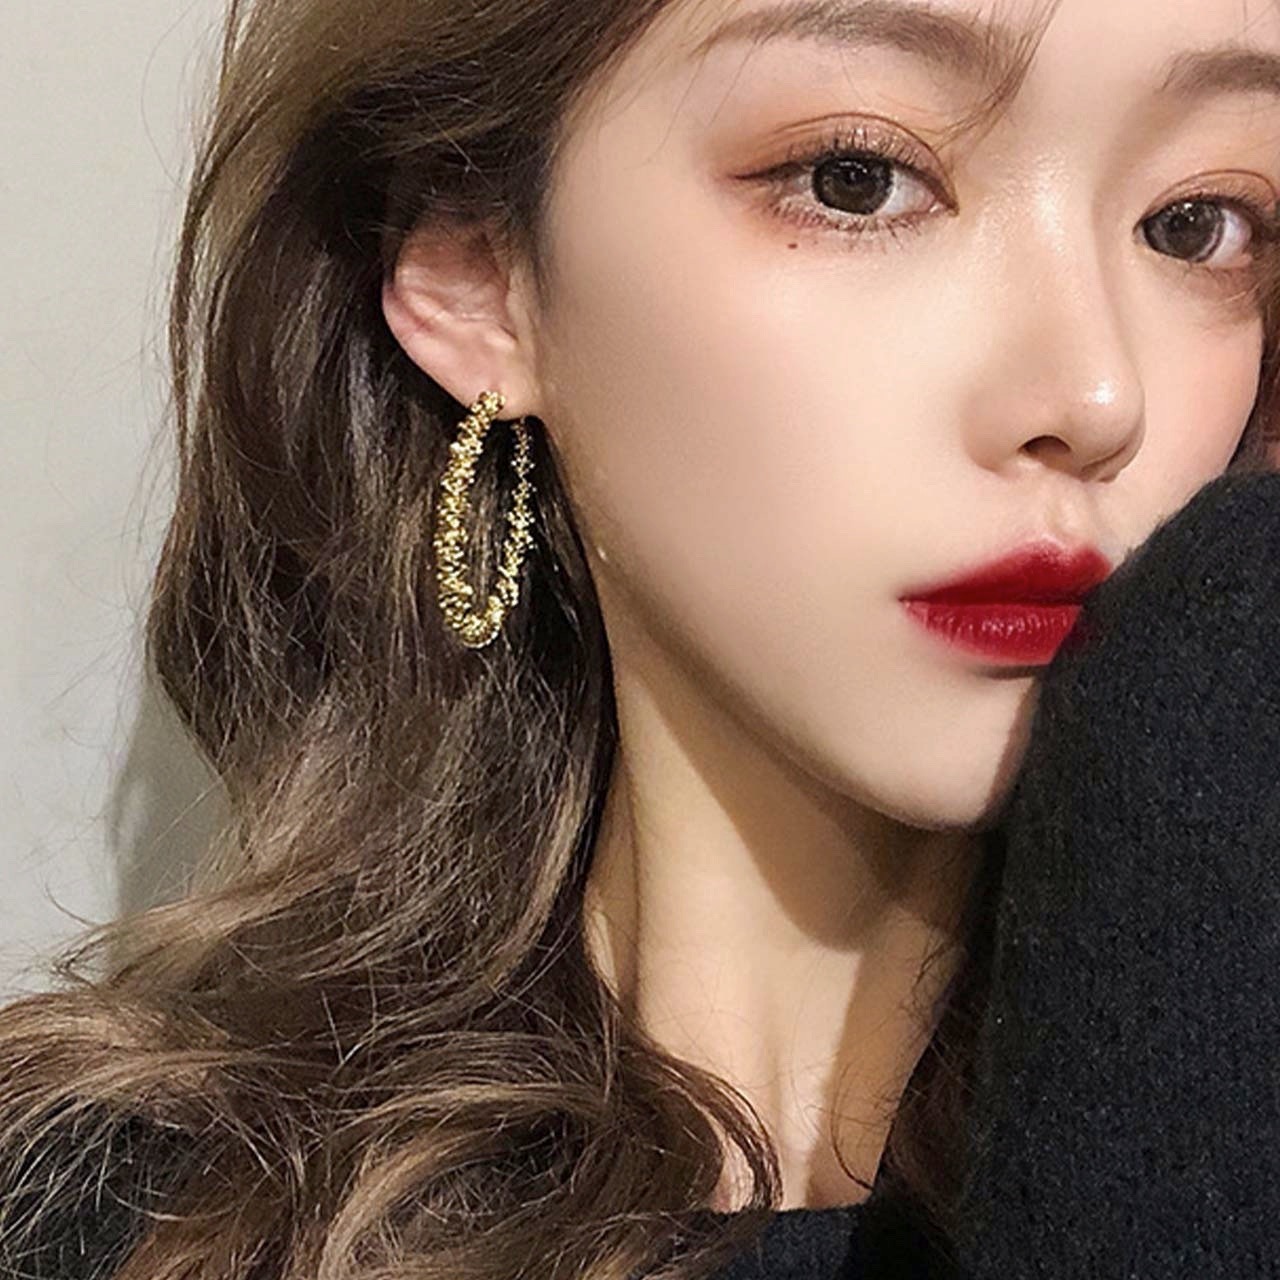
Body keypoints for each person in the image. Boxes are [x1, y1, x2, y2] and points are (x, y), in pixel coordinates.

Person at [1, 0, 1279, 1276]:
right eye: (856, 178)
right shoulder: (115, 1209)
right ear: (481, 274)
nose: (1093, 393)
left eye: (1197, 223)